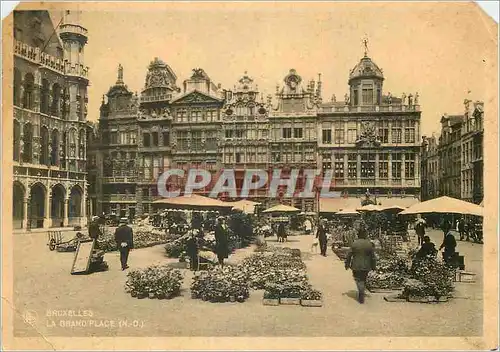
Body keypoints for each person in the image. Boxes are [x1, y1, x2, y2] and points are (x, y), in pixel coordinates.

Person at [345, 225, 377, 304]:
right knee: (363, 279)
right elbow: (373, 257)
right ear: (365, 235)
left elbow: (349, 255)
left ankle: (361, 292)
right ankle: (361, 290)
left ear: (358, 235)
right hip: (366, 266)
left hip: (356, 265)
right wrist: (373, 266)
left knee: (358, 279)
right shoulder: (369, 244)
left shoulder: (355, 244)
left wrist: (347, 264)